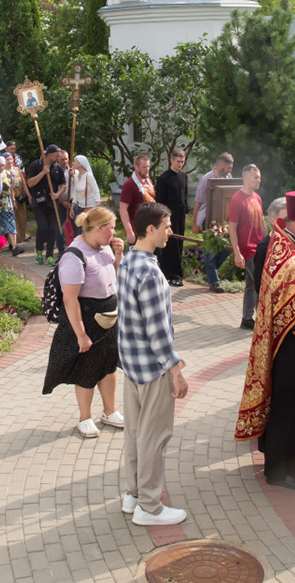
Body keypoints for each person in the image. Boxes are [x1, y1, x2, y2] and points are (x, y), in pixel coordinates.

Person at [235, 190, 295, 490]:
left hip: (290, 342)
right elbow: (287, 310)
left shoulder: (288, 244)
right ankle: (278, 470)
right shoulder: (288, 255)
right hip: (291, 345)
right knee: (288, 404)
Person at [116, 202, 190, 526]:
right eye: (167, 225)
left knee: (134, 434)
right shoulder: (150, 273)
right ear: (151, 229)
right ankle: (150, 506)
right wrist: (176, 370)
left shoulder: (128, 262)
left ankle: (132, 496)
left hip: (131, 366)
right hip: (153, 368)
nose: (170, 231)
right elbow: (158, 332)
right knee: (154, 437)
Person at [42, 206, 124, 438]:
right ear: (99, 228)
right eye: (111, 227)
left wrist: (118, 257)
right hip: (87, 318)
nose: (114, 232)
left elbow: (112, 278)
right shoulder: (74, 256)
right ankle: (85, 417)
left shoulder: (104, 247)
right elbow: (70, 300)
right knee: (87, 369)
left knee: (108, 365)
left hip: (109, 316)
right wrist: (80, 334)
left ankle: (110, 411)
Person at [231, 165, 267, 330]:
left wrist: (269, 241)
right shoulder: (236, 199)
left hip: (259, 246)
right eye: (255, 177)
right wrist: (237, 252)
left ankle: (248, 318)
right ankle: (258, 317)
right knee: (256, 283)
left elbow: (261, 221)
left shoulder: (257, 197)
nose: (259, 180)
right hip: (247, 248)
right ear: (245, 178)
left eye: (259, 177)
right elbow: (232, 227)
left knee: (253, 283)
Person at [26, 145, 68, 265]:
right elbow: (30, 183)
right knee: (43, 227)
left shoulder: (57, 168)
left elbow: (63, 185)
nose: (58, 158)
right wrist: (43, 173)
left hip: (52, 203)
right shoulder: (36, 165)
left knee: (52, 229)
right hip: (39, 203)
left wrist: (57, 194)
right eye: (56, 156)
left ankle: (49, 255)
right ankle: (39, 250)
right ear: (49, 155)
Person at [155, 149, 188, 287]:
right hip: (169, 216)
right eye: (178, 161)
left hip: (180, 215)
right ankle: (172, 274)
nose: (180, 164)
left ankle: (176, 273)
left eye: (182, 162)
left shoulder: (184, 176)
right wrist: (164, 218)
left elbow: (184, 195)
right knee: (170, 245)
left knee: (178, 244)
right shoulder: (164, 179)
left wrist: (185, 210)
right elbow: (160, 201)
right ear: (171, 160)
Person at [119, 154, 156, 246]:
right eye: (144, 167)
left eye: (148, 166)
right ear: (136, 167)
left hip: (150, 227)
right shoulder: (130, 184)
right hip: (137, 229)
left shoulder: (148, 181)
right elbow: (123, 209)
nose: (147, 169)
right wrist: (129, 231)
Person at [192, 152, 233, 233]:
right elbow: (198, 204)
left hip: (224, 217)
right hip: (208, 217)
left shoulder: (228, 177)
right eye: (228, 168)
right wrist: (195, 225)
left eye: (231, 168)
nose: (230, 171)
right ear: (220, 165)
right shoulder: (205, 180)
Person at [69, 154, 102, 237]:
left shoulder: (88, 176)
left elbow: (96, 190)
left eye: (75, 161)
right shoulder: (76, 176)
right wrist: (72, 207)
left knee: (89, 230)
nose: (73, 163)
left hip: (90, 207)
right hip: (80, 207)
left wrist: (97, 206)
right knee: (79, 230)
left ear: (81, 163)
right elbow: (76, 193)